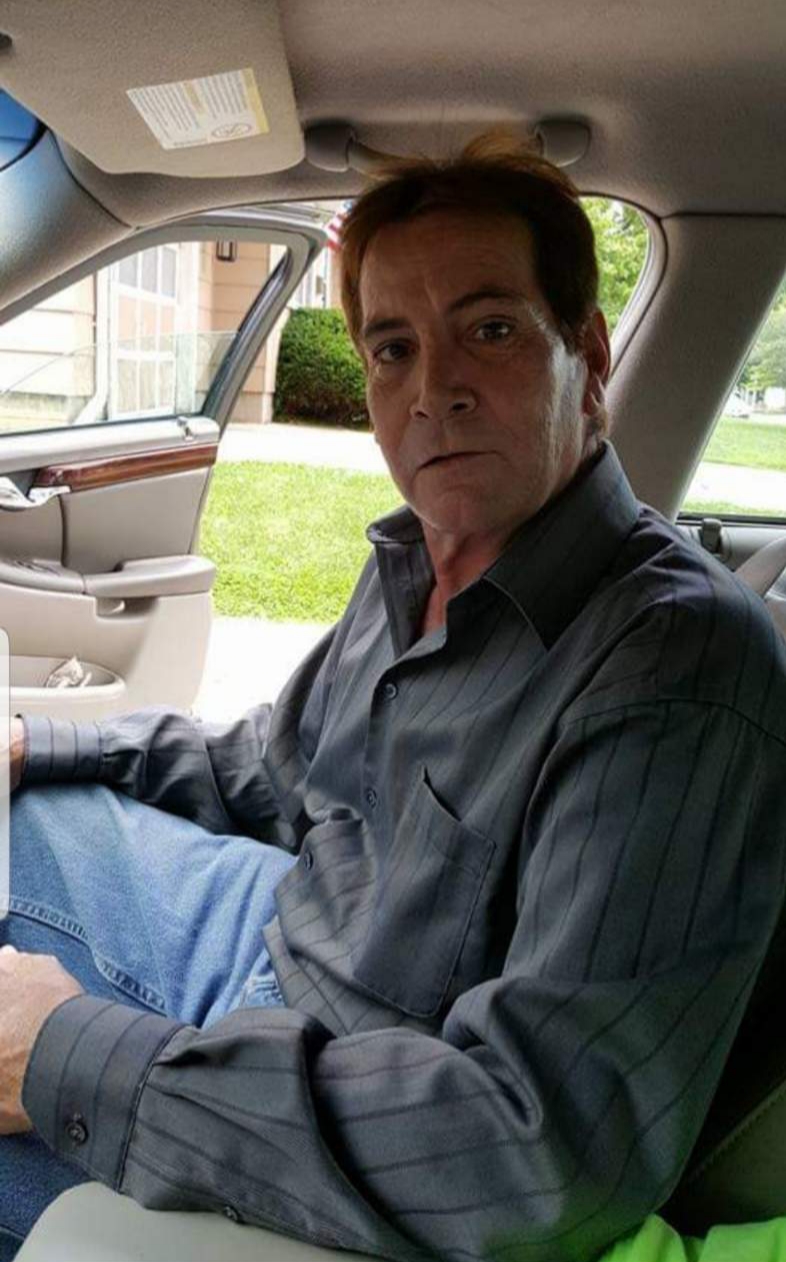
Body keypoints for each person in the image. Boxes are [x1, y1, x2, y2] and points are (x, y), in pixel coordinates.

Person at [1, 130, 785, 1262]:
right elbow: (274, 766)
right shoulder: (417, 562)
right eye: (393, 348)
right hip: (261, 931)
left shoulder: (674, 669)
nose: (434, 391)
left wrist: (66, 1054)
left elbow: (539, 1148)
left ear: (588, 352)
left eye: (490, 329)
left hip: (352, 1081)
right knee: (18, 813)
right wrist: (39, 740)